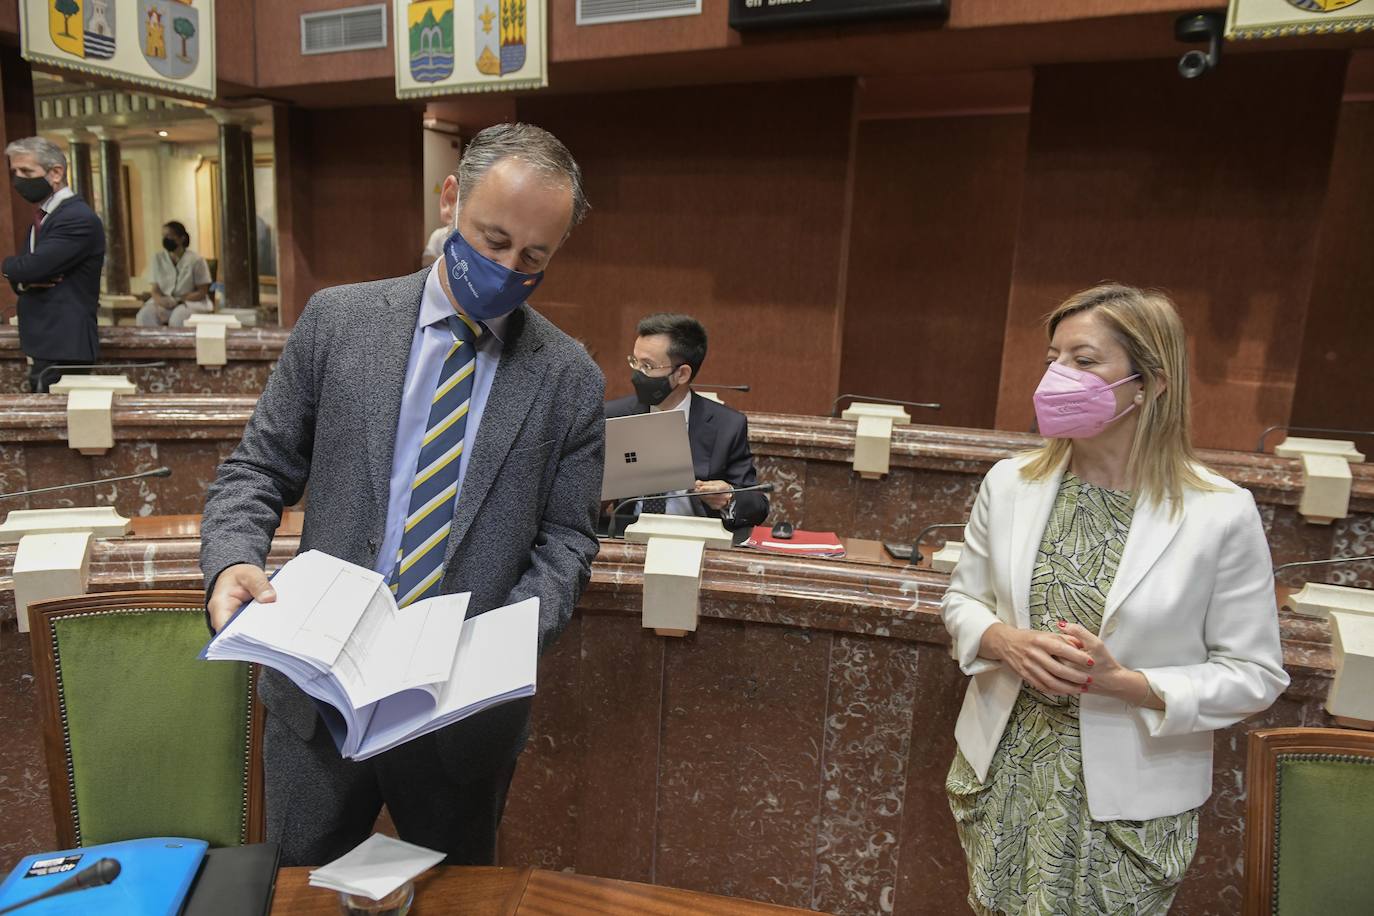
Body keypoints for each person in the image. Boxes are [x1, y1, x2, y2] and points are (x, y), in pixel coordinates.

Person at [200, 123, 605, 867]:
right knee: (299, 894)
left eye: (533, 257)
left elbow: (570, 541)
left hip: (459, 719)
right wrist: (230, 561)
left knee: (452, 898)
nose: (508, 267)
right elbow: (258, 468)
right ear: (449, 198)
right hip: (316, 702)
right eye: (493, 240)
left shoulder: (569, 378)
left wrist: (507, 641)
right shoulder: (338, 321)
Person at [941, 284, 1288, 915]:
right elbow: (964, 601)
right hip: (1007, 773)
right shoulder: (1011, 483)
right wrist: (1003, 641)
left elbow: (1254, 674)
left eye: (1084, 360)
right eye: (1052, 357)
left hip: (1129, 802)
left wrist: (1127, 682)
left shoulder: (1219, 513)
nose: (1056, 376)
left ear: (1150, 383)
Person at [603, 313, 768, 536]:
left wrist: (728, 497)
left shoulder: (726, 426)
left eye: (648, 366)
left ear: (682, 374)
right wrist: (603, 490)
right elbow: (579, 501)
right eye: (635, 362)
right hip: (627, 540)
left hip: (696, 541)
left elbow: (757, 504)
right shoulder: (614, 415)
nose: (636, 374)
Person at [2, 137, 104, 393]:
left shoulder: (76, 218)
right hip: (46, 341)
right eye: (14, 172)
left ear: (56, 173)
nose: (18, 180)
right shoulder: (45, 215)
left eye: (26, 171)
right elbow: (27, 274)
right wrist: (23, 276)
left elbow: (31, 267)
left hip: (65, 342)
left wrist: (9, 267)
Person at [135, 221, 213, 327]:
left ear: (182, 238)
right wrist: (161, 300)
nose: (165, 239)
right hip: (165, 302)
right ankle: (155, 343)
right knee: (144, 315)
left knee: (178, 318)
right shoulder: (158, 258)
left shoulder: (196, 260)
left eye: (169, 236)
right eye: (163, 236)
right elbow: (155, 289)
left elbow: (202, 291)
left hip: (189, 303)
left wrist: (180, 299)